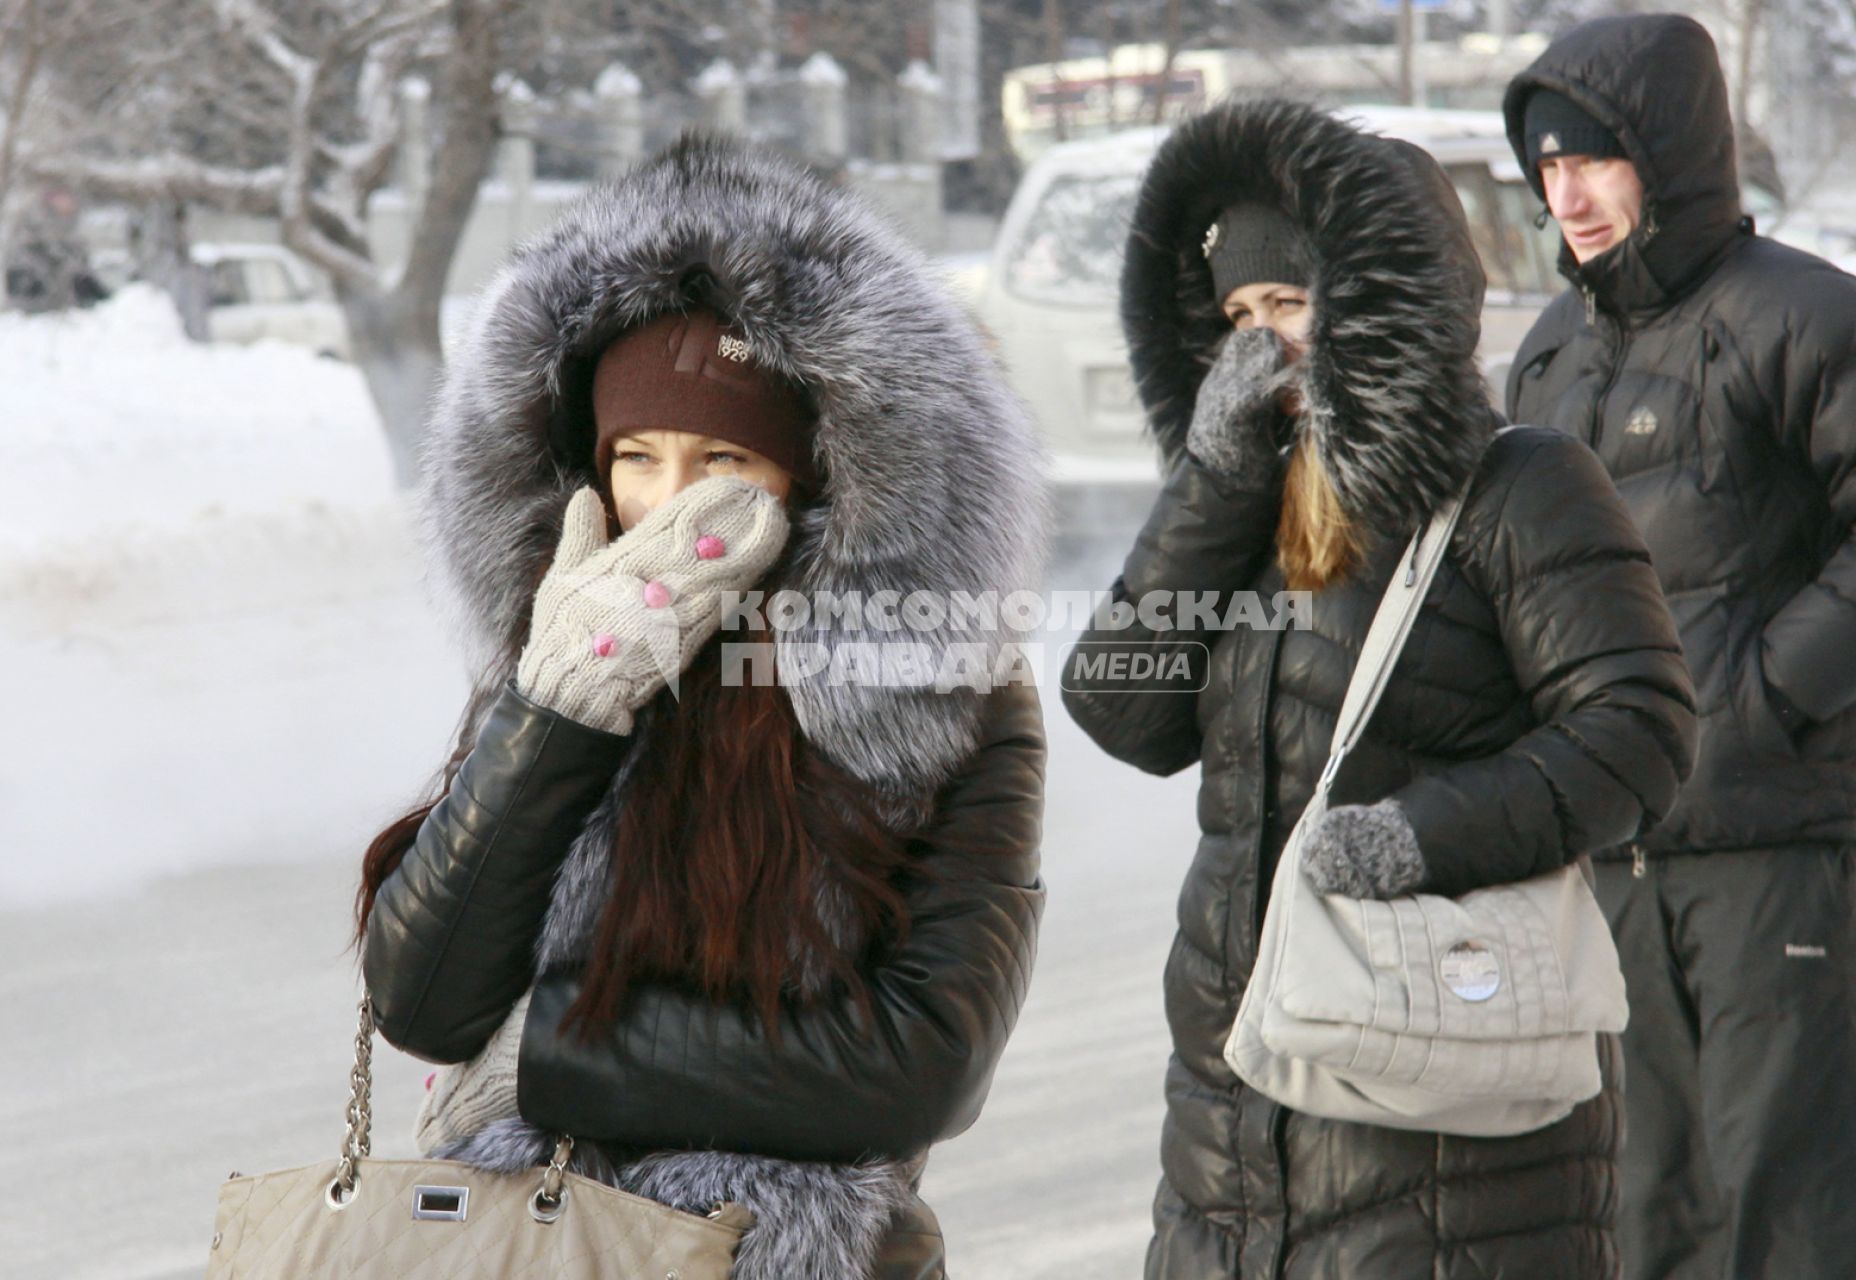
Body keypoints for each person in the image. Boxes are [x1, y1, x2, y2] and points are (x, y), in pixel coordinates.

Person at [356, 134, 1049, 1280]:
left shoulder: (947, 690)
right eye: (636, 455)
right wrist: (564, 705)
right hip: (526, 1247)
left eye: (723, 453)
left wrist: (550, 1044)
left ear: (817, 475)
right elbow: (423, 996)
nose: (671, 505)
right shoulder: (563, 651)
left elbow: (922, 1064)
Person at [1063, 98, 1698, 1278]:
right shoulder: (1245, 498)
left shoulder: (1521, 485)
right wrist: (1209, 479)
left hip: (1439, 1125)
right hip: (1231, 1122)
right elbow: (1120, 704)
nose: (1261, 349)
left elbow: (1637, 734)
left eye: (1290, 306)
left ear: (1378, 306)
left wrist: (1417, 835)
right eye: (1237, 319)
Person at [1503, 15, 1856, 1278]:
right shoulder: (1546, 357)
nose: (1568, 195)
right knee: (1642, 1205)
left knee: (1788, 1202)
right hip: (1610, 863)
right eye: (1546, 170)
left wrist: (1758, 695)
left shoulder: (1806, 318)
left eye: (1592, 161)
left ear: (1668, 155)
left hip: (1778, 848)